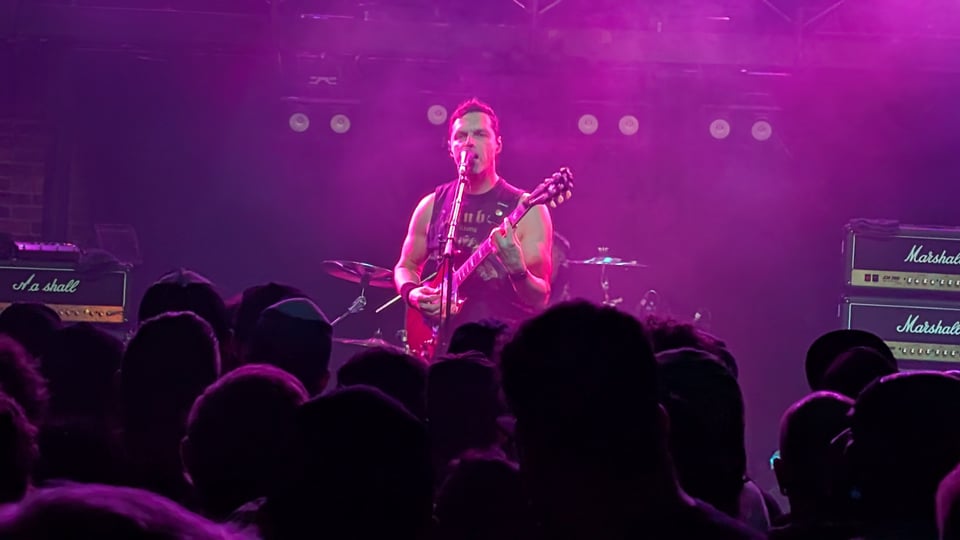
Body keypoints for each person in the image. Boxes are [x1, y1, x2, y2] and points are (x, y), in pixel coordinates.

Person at [394, 98, 556, 356]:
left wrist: (517, 269)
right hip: (439, 350)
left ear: (497, 144)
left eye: (480, 134)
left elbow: (540, 298)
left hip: (500, 351)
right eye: (461, 136)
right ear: (451, 148)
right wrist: (414, 295)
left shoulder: (528, 209)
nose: (469, 141)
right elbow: (406, 265)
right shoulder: (431, 205)